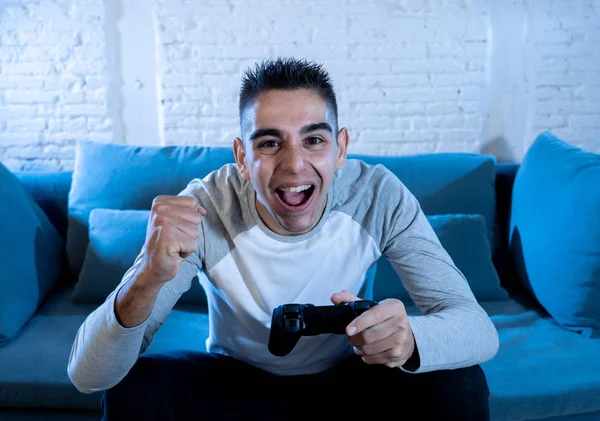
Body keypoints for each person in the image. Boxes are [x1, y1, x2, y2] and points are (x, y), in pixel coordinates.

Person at [67, 57, 499, 420]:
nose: (294, 166)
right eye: (270, 143)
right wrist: (146, 276)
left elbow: (479, 330)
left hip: (350, 379)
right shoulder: (204, 208)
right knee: (135, 389)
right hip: (238, 383)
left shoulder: (377, 195)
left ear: (341, 149)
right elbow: (88, 376)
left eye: (314, 140)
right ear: (242, 156)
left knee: (460, 382)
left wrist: (409, 339)